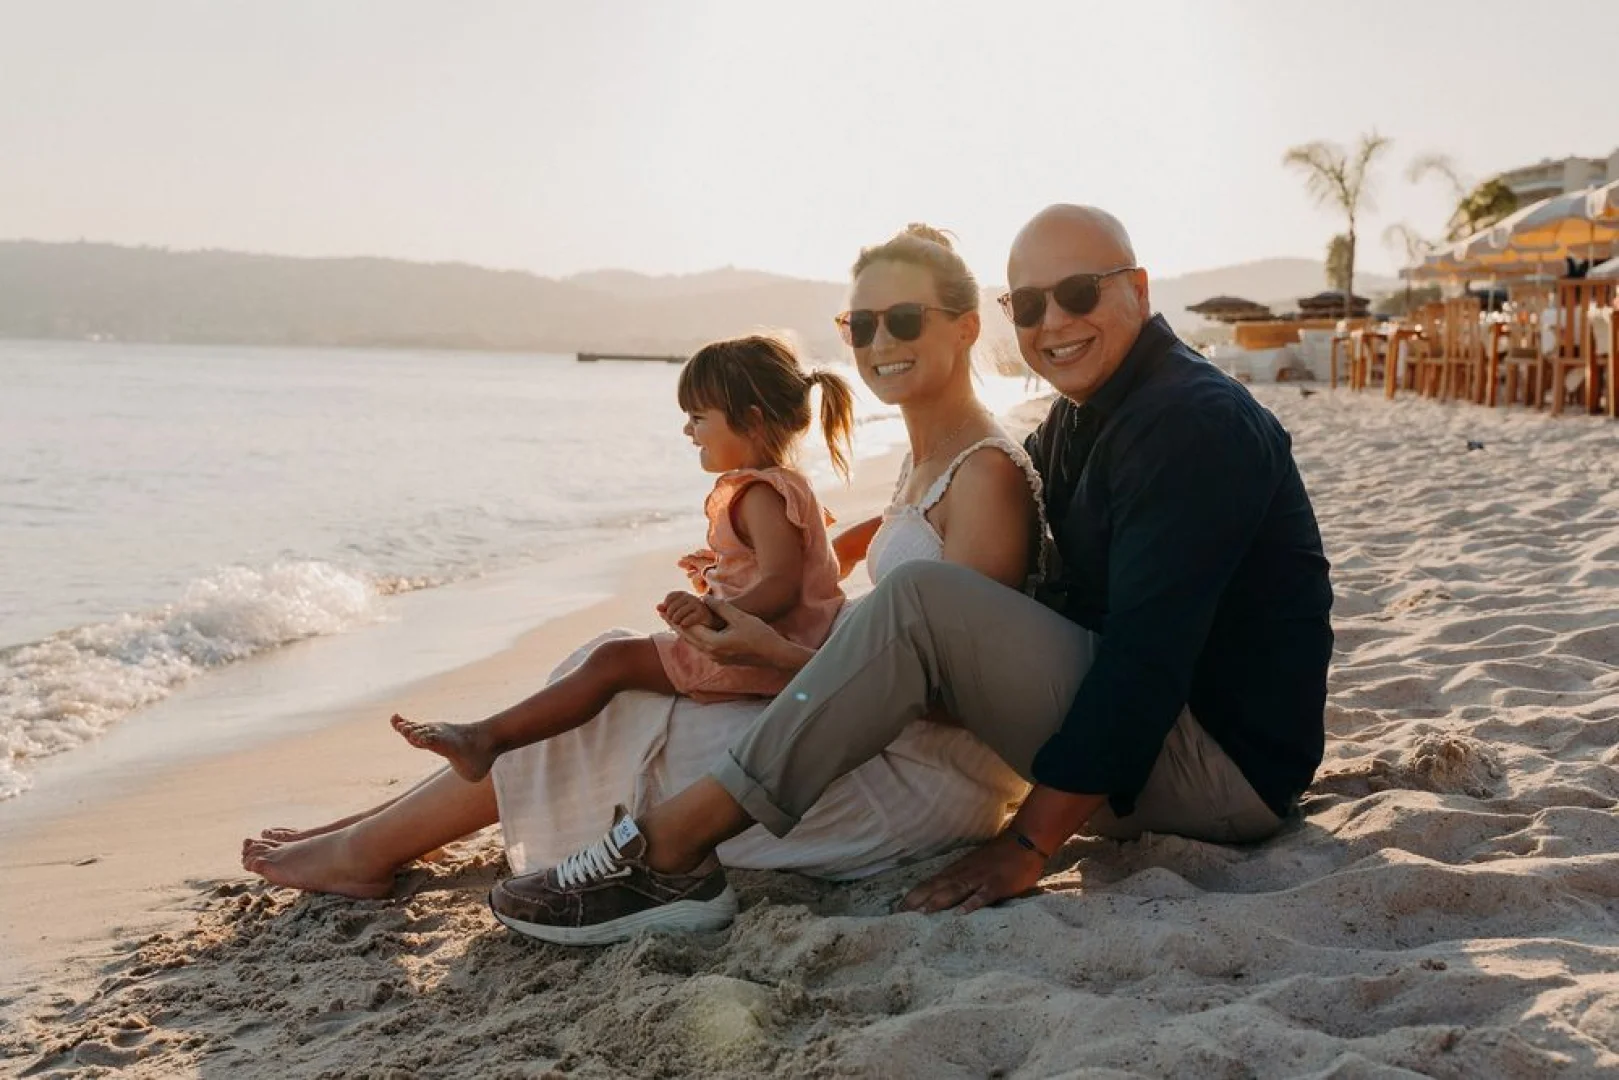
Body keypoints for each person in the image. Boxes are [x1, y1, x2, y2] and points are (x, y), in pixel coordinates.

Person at [486, 204, 1334, 945]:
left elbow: (1144, 662)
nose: (1051, 322)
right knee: (889, 609)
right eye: (1027, 305)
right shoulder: (1085, 420)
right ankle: (630, 827)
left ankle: (671, 846)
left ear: (1138, 291)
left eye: (1078, 294)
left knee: (920, 599)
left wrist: (1028, 843)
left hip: (1216, 777)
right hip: (1144, 748)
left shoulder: (1188, 423)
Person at [241, 223, 1045, 901]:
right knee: (602, 663)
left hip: (910, 774)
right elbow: (890, 544)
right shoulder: (928, 455)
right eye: (858, 325)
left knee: (612, 707)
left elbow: (956, 702)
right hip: (855, 723)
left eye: (902, 320)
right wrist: (808, 571)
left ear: (966, 327)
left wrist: (776, 652)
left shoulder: (983, 475)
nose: (878, 343)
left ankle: (368, 849)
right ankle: (371, 833)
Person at [389, 335, 853, 783]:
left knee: (613, 661)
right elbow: (779, 571)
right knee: (616, 656)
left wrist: (713, 612)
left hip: (763, 654)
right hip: (777, 644)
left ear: (751, 421)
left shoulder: (762, 494)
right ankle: (486, 738)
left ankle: (485, 739)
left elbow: (781, 585)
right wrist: (720, 577)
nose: (687, 431)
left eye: (697, 417)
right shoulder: (780, 486)